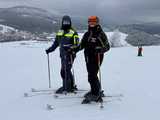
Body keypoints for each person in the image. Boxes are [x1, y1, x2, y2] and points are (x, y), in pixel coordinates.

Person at [76, 16, 110, 103]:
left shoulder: (100, 34)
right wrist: (74, 49)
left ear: (97, 22)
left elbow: (107, 46)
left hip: (97, 57)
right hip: (88, 57)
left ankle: (95, 94)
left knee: (92, 75)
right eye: (90, 22)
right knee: (91, 75)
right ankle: (95, 90)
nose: (92, 24)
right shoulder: (87, 34)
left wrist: (101, 49)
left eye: (94, 22)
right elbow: (81, 45)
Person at [46, 15, 79, 94]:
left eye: (67, 22)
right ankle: (70, 85)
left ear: (70, 22)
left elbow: (77, 44)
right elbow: (56, 43)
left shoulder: (73, 32)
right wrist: (50, 49)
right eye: (64, 22)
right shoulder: (60, 31)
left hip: (70, 54)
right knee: (66, 70)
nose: (66, 24)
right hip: (62, 55)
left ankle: (67, 87)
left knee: (65, 71)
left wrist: (71, 48)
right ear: (62, 22)